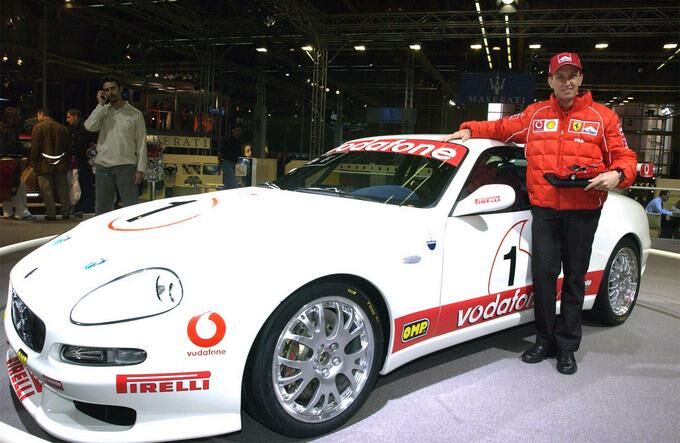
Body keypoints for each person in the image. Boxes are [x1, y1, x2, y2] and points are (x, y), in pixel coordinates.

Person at [445, 52, 637, 375]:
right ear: (550, 81)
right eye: (560, 76)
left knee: (575, 279)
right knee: (545, 278)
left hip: (583, 212)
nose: (567, 81)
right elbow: (501, 127)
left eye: (572, 75)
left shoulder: (603, 118)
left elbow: (625, 156)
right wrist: (469, 129)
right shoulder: (535, 116)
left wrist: (618, 175)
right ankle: (544, 339)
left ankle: (566, 346)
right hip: (545, 210)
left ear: (580, 78)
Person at [84, 77, 147, 215]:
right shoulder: (103, 111)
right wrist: (100, 105)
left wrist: (141, 169)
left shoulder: (135, 114)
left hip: (126, 166)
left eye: (113, 88)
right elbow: (89, 126)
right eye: (106, 90)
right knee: (102, 209)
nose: (110, 92)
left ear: (120, 89)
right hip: (103, 166)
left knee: (131, 208)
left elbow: (141, 143)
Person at [30, 107, 72, 220]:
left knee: (46, 190)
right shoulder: (63, 128)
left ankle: (51, 213)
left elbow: (35, 147)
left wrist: (33, 162)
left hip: (43, 164)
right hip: (61, 163)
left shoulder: (37, 128)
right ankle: (66, 212)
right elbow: (68, 148)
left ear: (41, 114)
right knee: (63, 189)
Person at [0, 106, 34, 220]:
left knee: (6, 186)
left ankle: (7, 211)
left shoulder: (1, 128)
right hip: (11, 161)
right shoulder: (11, 131)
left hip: (2, 162)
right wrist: (24, 149)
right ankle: (21, 211)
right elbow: (13, 146)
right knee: (19, 187)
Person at [66, 109, 97, 216]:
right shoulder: (80, 128)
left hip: (83, 161)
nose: (67, 120)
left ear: (76, 116)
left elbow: (81, 144)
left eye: (69, 117)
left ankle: (85, 206)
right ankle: (85, 206)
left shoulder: (82, 128)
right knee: (83, 185)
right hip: (85, 161)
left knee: (83, 184)